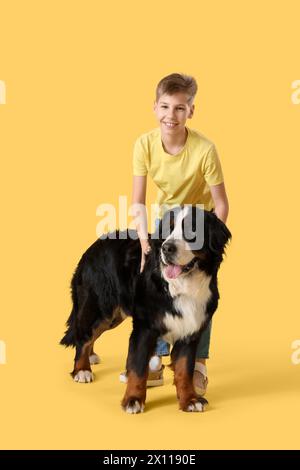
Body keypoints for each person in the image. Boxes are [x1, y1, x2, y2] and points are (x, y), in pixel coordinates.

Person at [120, 73, 229, 396]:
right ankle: (155, 361)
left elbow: (221, 204)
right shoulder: (144, 144)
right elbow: (138, 201)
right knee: (158, 290)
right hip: (167, 222)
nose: (171, 115)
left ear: (191, 111)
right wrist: (145, 244)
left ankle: (197, 364)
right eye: (165, 107)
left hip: (198, 223)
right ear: (154, 108)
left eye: (180, 108)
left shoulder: (205, 149)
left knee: (199, 293)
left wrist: (210, 241)